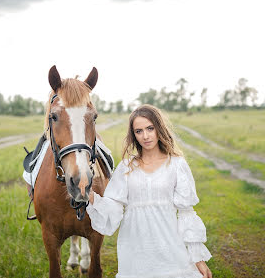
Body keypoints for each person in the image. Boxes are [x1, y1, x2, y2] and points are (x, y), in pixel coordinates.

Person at [87, 104, 213, 278]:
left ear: (159, 128)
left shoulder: (177, 164)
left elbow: (186, 213)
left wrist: (198, 258)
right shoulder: (126, 167)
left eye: (150, 128)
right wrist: (90, 196)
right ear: (133, 135)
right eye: (139, 131)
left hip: (170, 246)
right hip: (135, 250)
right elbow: (114, 207)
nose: (145, 136)